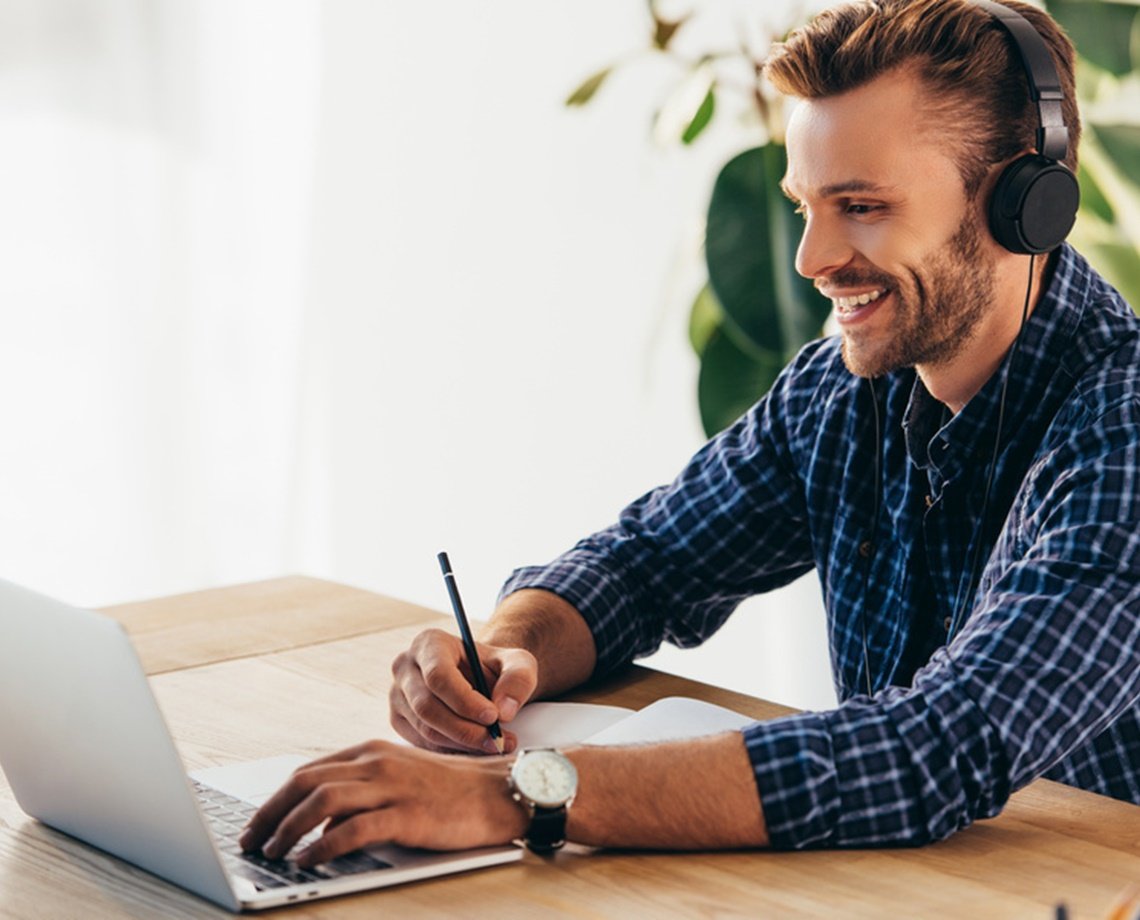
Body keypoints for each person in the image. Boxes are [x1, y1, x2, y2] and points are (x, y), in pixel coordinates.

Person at [241, 0, 1140, 866]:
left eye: (861, 206)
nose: (811, 260)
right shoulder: (841, 391)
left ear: (1029, 205)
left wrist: (512, 795)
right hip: (918, 886)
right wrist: (507, 650)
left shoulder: (1124, 430)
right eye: (805, 207)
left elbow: (937, 748)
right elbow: (646, 565)